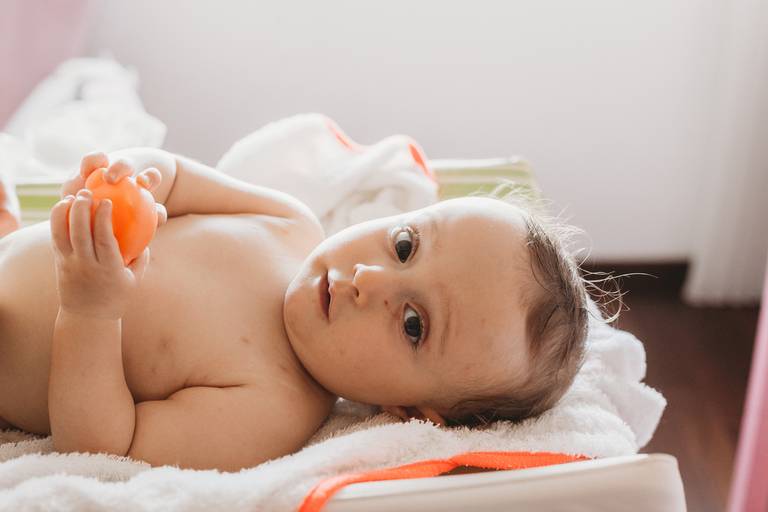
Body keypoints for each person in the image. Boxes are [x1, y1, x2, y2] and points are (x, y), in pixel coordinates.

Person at [0, 148, 595, 471]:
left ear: (410, 411)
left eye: (414, 325)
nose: (370, 279)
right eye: (405, 246)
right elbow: (176, 179)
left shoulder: (271, 410)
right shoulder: (289, 221)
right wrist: (130, 181)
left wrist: (90, 310)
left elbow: (104, 446)